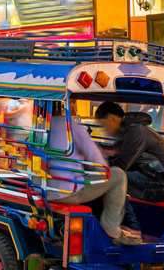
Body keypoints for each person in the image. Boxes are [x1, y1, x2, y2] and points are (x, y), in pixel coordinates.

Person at [49, 105, 140, 245]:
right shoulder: (72, 126)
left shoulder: (39, 125)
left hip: (44, 190)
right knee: (118, 175)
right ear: (68, 105)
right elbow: (98, 162)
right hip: (69, 192)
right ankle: (112, 228)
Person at [95, 102, 164, 204]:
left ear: (112, 119)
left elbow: (122, 164)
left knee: (113, 177)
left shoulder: (136, 132)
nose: (104, 130)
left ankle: (122, 220)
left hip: (163, 186)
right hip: (153, 178)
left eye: (103, 125)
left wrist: (98, 168)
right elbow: (114, 153)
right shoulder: (127, 131)